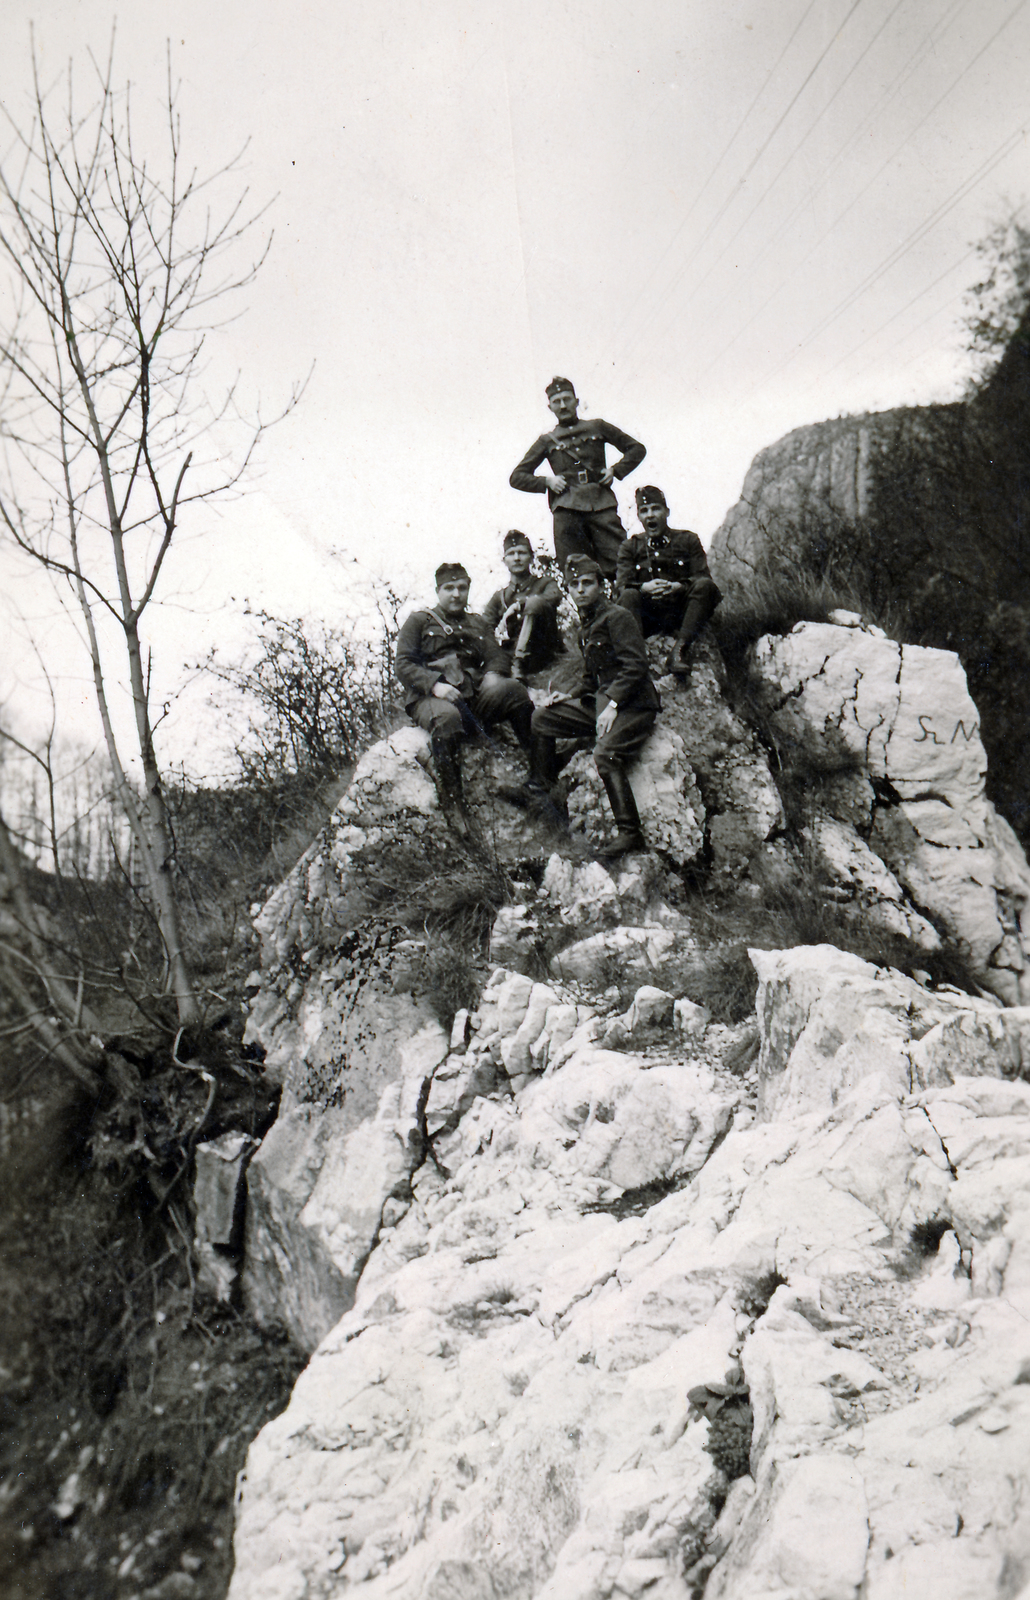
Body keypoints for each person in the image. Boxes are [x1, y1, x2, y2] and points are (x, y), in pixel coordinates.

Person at [527, 553, 660, 858]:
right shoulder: (586, 627)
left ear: (601, 585)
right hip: (602, 703)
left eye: (588, 583)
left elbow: (636, 666)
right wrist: (569, 694)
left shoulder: (618, 616)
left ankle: (630, 833)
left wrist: (613, 704)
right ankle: (542, 790)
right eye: (574, 584)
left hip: (634, 705)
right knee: (542, 719)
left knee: (606, 755)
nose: (581, 589)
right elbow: (590, 677)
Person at [394, 562, 533, 831]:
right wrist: (434, 685)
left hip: (472, 697)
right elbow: (403, 664)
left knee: (514, 692)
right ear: (438, 591)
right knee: (446, 718)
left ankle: (539, 779)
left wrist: (494, 675)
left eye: (462, 587)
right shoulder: (419, 621)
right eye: (449, 588)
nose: (456, 594)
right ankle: (453, 805)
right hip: (430, 698)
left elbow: (495, 655)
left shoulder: (477, 623)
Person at [509, 377, 646, 581]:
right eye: (557, 401)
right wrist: (547, 482)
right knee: (576, 572)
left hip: (601, 504)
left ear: (576, 401)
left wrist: (615, 471)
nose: (562, 405)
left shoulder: (597, 427)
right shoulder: (547, 440)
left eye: (566, 399)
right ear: (550, 407)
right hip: (567, 511)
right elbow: (517, 477)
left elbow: (636, 449)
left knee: (621, 564)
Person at [615, 485, 722, 675]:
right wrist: (644, 588)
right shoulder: (630, 547)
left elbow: (702, 576)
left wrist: (679, 586)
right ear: (639, 516)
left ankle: (679, 651)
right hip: (648, 618)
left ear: (667, 512)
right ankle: (637, 663)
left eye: (656, 509)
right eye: (644, 511)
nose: (650, 516)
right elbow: (622, 585)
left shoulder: (688, 540)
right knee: (628, 596)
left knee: (705, 586)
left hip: (682, 613)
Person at [481, 530, 563, 679]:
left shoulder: (545, 583)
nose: (517, 558)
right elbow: (484, 625)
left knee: (535, 602)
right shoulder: (499, 597)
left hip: (542, 650)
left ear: (531, 557)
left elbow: (554, 596)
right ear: (504, 560)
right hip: (508, 654)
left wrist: (519, 604)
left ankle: (519, 661)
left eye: (522, 553)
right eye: (511, 554)